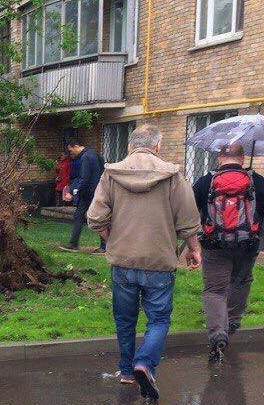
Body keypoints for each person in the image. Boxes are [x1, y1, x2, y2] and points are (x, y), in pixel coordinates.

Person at [87, 124, 201, 401]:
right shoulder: (173, 176)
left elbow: (95, 217)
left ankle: (127, 370)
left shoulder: (112, 174)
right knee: (159, 319)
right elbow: (188, 220)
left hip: (123, 262)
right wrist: (193, 249)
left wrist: (110, 237)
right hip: (160, 262)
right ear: (158, 146)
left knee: (125, 320)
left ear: (130, 146)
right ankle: (145, 364)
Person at [192, 142, 264, 363]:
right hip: (248, 245)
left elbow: (190, 212)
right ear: (242, 159)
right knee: (241, 283)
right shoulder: (258, 182)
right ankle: (232, 322)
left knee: (214, 290)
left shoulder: (206, 181)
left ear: (220, 158)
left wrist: (191, 243)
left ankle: (217, 334)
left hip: (214, 246)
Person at [59, 136, 106, 253]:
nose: (70, 154)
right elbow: (103, 169)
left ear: (76, 146)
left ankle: (105, 247)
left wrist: (73, 191)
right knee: (81, 216)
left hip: (89, 193)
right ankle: (74, 244)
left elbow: (84, 177)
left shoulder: (85, 157)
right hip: (95, 191)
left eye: (70, 151)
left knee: (98, 218)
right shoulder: (94, 154)